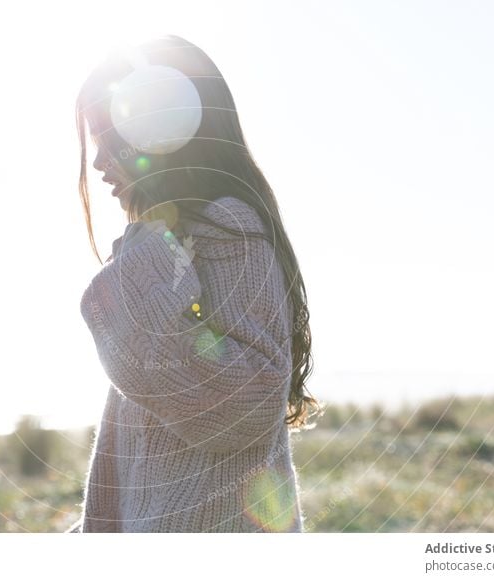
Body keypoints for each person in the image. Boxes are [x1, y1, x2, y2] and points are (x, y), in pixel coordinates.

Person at [66, 34, 320, 533]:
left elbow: (241, 407)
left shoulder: (228, 229)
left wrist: (135, 280)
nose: (98, 165)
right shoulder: (169, 246)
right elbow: (142, 456)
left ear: (164, 124)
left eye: (108, 139)